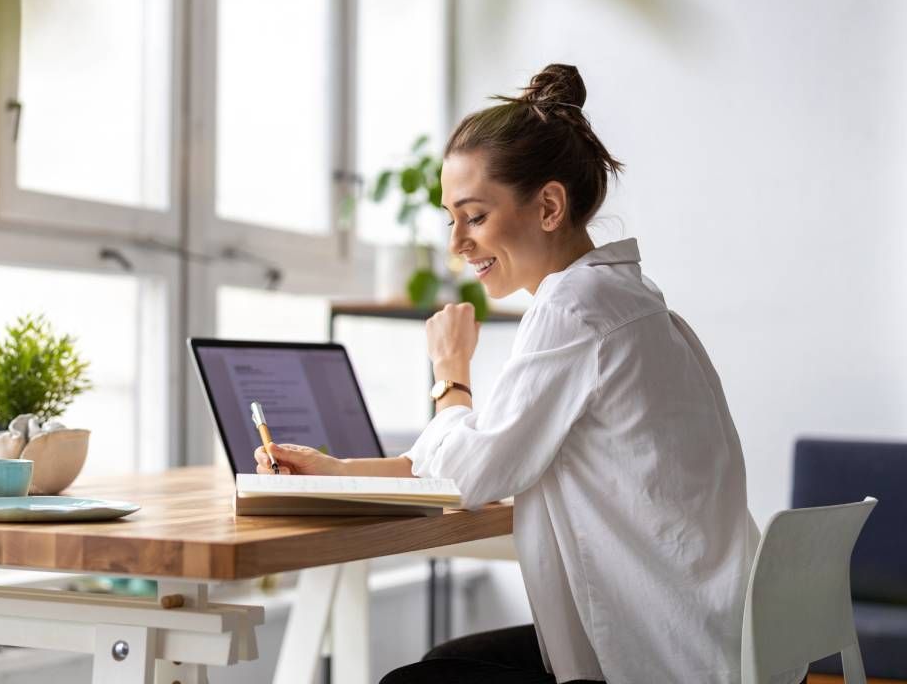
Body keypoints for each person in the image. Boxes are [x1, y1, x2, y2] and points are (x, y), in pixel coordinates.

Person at [256, 64, 804, 683]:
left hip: (664, 661)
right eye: (450, 219)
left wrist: (449, 372)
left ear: (548, 206)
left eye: (475, 216)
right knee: (446, 664)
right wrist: (339, 473)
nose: (457, 244)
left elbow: (470, 472)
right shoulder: (629, 299)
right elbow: (486, 451)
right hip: (713, 641)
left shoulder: (574, 309)